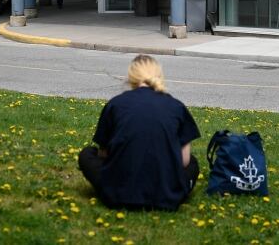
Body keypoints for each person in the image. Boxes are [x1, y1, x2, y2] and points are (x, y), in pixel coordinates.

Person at [78, 55, 200, 211]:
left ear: (131, 77)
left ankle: (116, 186)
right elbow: (184, 161)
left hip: (119, 194)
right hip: (167, 197)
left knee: (87, 154)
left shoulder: (116, 104)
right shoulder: (176, 106)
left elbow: (104, 154)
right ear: (158, 75)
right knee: (193, 162)